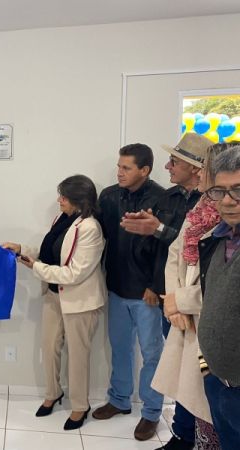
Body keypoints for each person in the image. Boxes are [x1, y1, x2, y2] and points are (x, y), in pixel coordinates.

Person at [120, 133, 212, 450]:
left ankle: (198, 436)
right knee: (179, 371)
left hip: (200, 307)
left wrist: (157, 229)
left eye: (174, 161)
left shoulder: (213, 204)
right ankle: (183, 435)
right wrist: (158, 289)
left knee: (200, 376)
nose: (168, 166)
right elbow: (167, 252)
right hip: (169, 300)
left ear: (196, 169)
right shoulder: (169, 197)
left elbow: (199, 251)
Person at [2, 175, 106, 430]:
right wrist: (21, 249)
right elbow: (50, 253)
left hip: (80, 302)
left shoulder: (90, 228)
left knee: (78, 355)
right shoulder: (62, 220)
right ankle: (53, 393)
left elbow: (75, 273)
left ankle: (80, 405)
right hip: (53, 295)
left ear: (79, 200)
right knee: (49, 349)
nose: (59, 200)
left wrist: (35, 267)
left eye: (64, 196)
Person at [152, 143, 233, 450]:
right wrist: (174, 302)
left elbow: (223, 284)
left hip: (208, 322)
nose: (200, 175)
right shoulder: (200, 209)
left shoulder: (226, 220)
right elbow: (175, 254)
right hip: (183, 314)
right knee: (190, 388)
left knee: (207, 397)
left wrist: (182, 300)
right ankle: (183, 436)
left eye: (204, 169)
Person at [92, 143, 166, 441]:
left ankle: (152, 412)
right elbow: (99, 238)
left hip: (147, 293)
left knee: (152, 354)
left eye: (126, 167)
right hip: (116, 286)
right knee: (120, 347)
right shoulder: (109, 196)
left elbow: (166, 248)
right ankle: (120, 400)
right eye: (118, 166)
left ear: (144, 170)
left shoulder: (162, 199)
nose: (119, 172)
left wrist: (155, 286)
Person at [196, 145, 240, 450]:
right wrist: (206, 366)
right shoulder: (218, 238)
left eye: (238, 189)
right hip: (216, 379)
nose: (227, 200)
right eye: (220, 191)